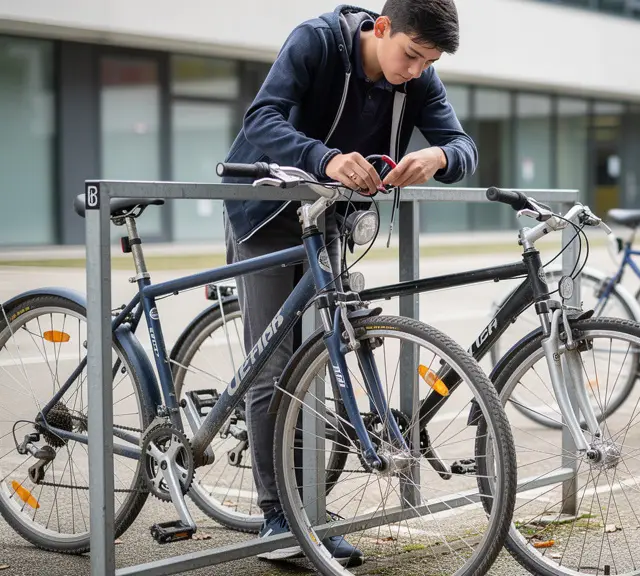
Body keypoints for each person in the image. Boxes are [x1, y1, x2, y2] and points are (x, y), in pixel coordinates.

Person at [219, 0, 477, 565]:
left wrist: (437, 154)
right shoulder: (315, 41)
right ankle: (278, 518)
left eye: (427, 61)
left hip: (329, 224)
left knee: (321, 356)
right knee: (275, 367)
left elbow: (465, 147)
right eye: (410, 55)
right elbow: (262, 118)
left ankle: (305, 505)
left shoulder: (419, 77)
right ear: (382, 28)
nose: (414, 70)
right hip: (265, 215)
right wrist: (326, 159)